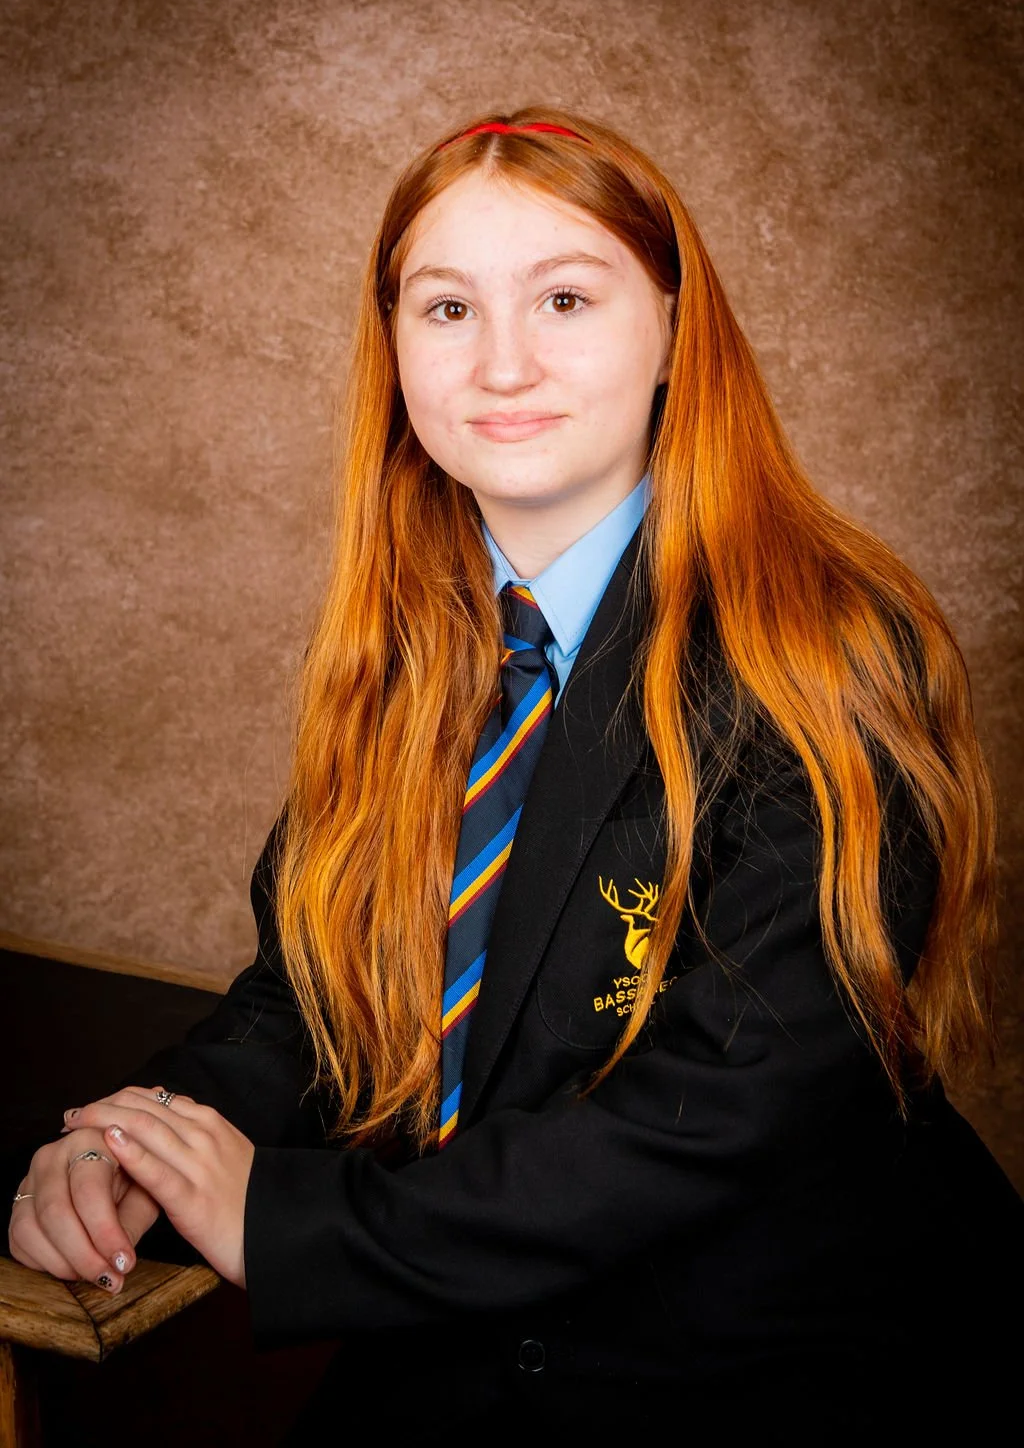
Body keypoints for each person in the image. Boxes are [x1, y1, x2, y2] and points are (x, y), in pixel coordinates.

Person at [9, 108, 1023, 1441]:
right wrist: (146, 1136)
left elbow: (704, 1122)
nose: (502, 363)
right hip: (467, 1323)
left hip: (777, 1359)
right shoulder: (419, 640)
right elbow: (316, 980)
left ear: (671, 324)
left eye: (563, 296)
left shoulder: (826, 654)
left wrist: (283, 1220)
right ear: (395, 354)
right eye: (445, 309)